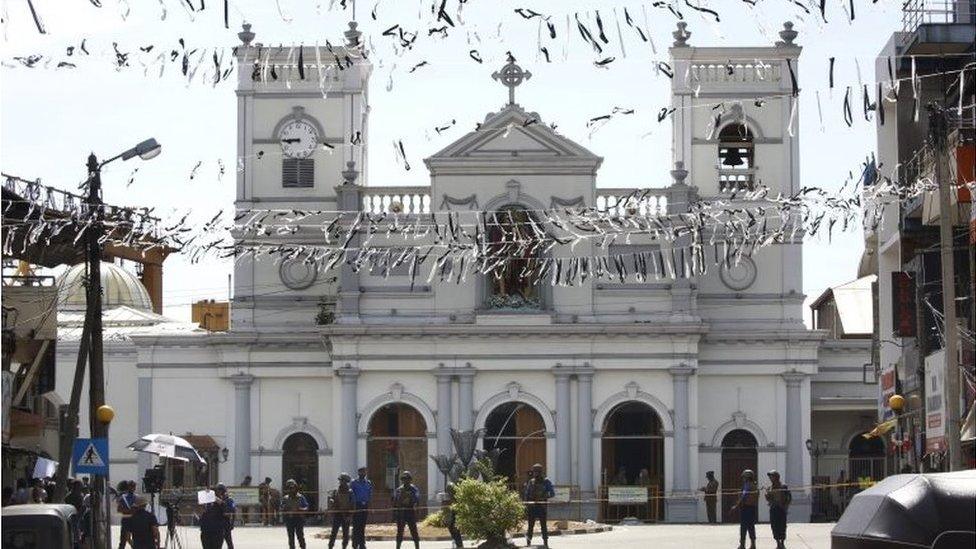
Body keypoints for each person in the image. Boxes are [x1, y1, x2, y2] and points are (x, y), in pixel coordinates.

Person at [523, 463, 554, 548]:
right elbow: (527, 494)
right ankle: (528, 542)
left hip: (542, 507)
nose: (536, 473)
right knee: (530, 526)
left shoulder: (546, 481)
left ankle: (545, 542)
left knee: (543, 526)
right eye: (535, 471)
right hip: (532, 507)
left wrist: (544, 497)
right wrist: (526, 504)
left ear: (541, 472)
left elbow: (552, 493)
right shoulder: (531, 482)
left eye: (537, 471)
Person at [730, 469, 759, 549]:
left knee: (744, 527)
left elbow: (744, 496)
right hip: (752, 508)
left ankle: (742, 545)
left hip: (746, 508)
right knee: (751, 526)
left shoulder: (748, 485)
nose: (743, 478)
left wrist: (736, 506)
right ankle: (753, 544)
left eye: (744, 477)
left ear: (747, 477)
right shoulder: (754, 485)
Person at [392, 471, 421, 549]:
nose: (406, 480)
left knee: (414, 531)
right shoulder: (398, 490)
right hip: (401, 512)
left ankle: (417, 547)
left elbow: (417, 499)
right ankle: (398, 547)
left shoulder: (414, 489)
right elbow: (394, 501)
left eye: (407, 479)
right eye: (404, 479)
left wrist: (410, 498)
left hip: (410, 511)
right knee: (400, 532)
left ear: (410, 479)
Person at [765, 470, 791, 549]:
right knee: (774, 526)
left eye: (772, 476)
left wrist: (786, 506)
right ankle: (778, 543)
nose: (771, 478)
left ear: (776, 477)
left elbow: (789, 497)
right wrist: (767, 494)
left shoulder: (783, 486)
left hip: (781, 509)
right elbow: (768, 498)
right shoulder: (770, 488)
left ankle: (782, 543)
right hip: (773, 508)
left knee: (782, 526)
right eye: (770, 477)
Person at [328, 473, 355, 549]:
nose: (340, 482)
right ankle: (330, 546)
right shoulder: (336, 491)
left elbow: (353, 505)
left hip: (346, 515)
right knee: (333, 533)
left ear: (346, 481)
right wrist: (332, 501)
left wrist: (350, 516)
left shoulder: (350, 492)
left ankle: (344, 547)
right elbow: (332, 499)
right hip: (337, 514)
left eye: (342, 480)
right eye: (340, 480)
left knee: (345, 534)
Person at [281, 479, 310, 549]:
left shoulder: (301, 497)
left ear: (295, 487)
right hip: (289, 519)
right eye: (289, 488)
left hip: (298, 519)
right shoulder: (285, 498)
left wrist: (300, 509)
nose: (291, 490)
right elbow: (281, 508)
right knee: (291, 538)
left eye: (292, 488)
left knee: (300, 536)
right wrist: (285, 509)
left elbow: (306, 507)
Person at [350, 467, 373, 549]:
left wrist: (370, 505)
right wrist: (353, 506)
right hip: (357, 505)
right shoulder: (354, 483)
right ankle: (355, 543)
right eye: (361, 472)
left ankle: (362, 544)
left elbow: (370, 494)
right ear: (358, 473)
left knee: (362, 526)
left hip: (365, 505)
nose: (363, 473)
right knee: (356, 526)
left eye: (364, 472)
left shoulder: (368, 483)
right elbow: (351, 495)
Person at [442, 482, 464, 549]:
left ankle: (460, 546)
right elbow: (444, 509)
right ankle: (457, 544)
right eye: (448, 490)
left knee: (456, 532)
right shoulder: (446, 498)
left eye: (451, 490)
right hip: (449, 519)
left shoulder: (457, 498)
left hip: (455, 518)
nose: (450, 492)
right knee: (453, 533)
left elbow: (459, 510)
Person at [215, 484, 237, 549]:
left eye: (219, 490)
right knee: (218, 542)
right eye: (217, 490)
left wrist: (232, 523)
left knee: (229, 542)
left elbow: (233, 512)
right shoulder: (217, 500)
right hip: (218, 524)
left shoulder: (229, 500)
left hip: (226, 523)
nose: (218, 492)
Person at [117, 480, 136, 549]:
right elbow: (119, 509)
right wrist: (129, 511)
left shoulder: (136, 497)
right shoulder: (123, 497)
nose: (133, 488)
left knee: (136, 539)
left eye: (134, 486)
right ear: (128, 487)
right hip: (126, 520)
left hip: (134, 520)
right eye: (131, 486)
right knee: (123, 540)